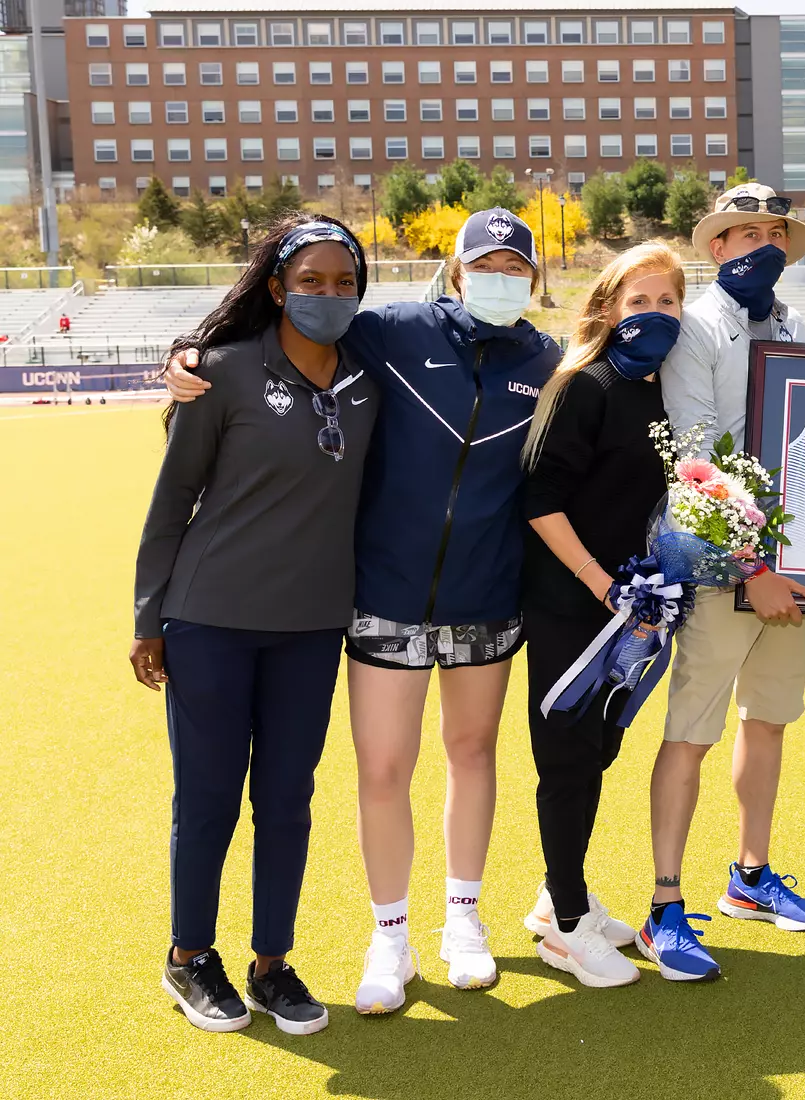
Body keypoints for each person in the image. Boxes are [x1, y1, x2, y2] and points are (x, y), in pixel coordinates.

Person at [159, 208, 561, 1012]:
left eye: (516, 268)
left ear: (533, 281)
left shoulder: (547, 358)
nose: (499, 279)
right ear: (455, 270)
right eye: (485, 264)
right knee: (382, 770)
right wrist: (184, 355)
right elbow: (286, 329)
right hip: (383, 595)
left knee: (473, 752)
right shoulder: (391, 329)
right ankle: (390, 937)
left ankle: (463, 923)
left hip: (487, 593)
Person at [133, 216, 376, 1035]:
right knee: (206, 800)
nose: (329, 296)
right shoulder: (222, 375)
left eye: (344, 283)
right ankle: (187, 957)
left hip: (311, 628)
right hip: (209, 620)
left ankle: (271, 963)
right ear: (276, 288)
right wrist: (148, 618)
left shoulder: (370, 382)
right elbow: (171, 505)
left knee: (287, 799)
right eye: (311, 282)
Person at [640, 183, 805, 982]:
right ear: (715, 247)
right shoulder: (692, 330)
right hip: (722, 568)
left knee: (769, 722)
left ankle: (750, 878)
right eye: (741, 232)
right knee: (691, 731)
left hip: (791, 572)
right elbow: (689, 461)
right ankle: (664, 908)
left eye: (771, 233)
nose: (757, 245)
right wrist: (751, 567)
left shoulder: (797, 325)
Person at [517, 242, 686, 988]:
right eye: (639, 302)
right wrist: (598, 583)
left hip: (635, 608)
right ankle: (567, 920)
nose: (654, 315)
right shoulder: (581, 386)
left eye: (668, 302)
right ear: (608, 310)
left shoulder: (668, 394)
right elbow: (539, 500)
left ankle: (558, 898)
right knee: (565, 756)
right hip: (571, 602)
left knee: (596, 750)